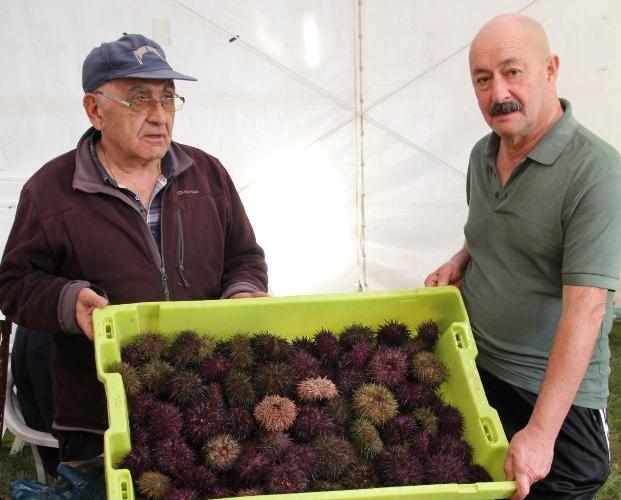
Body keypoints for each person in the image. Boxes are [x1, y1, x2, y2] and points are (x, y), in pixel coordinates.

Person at [0, 33, 268, 466]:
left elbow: (245, 256)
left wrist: (242, 291)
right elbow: (14, 285)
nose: (159, 116)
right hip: (100, 412)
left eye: (167, 99)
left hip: (202, 396)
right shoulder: (50, 191)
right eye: (139, 100)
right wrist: (68, 301)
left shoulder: (208, 174)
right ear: (95, 110)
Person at [425, 13, 621, 500]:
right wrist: (462, 258)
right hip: (477, 360)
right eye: (483, 79)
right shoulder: (481, 154)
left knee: (566, 481)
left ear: (551, 69)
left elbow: (588, 307)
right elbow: (496, 226)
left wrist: (540, 431)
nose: (498, 94)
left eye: (513, 72)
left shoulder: (596, 173)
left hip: (549, 389)